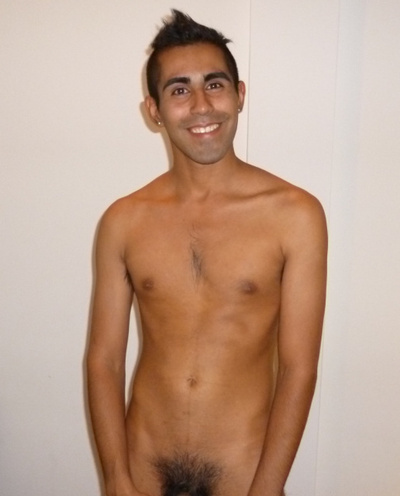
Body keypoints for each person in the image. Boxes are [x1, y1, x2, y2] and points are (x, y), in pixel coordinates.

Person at [86, 10, 327, 496]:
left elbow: (298, 369)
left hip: (244, 478)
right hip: (142, 475)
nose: (201, 106)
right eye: (179, 90)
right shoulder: (123, 221)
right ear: (154, 110)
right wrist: (116, 479)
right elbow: (104, 360)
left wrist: (269, 488)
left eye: (214, 85)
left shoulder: (295, 216)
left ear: (240, 95)